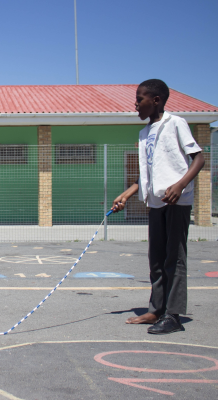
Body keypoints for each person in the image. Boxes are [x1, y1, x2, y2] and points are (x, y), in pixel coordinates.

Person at [111, 79, 204, 335]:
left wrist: (180, 184)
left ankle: (173, 315)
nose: (136, 104)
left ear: (156, 100)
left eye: (140, 99)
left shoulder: (176, 123)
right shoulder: (144, 134)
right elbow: (148, 174)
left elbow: (199, 158)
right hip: (155, 203)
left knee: (174, 257)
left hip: (176, 201)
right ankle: (156, 310)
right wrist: (128, 193)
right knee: (156, 259)